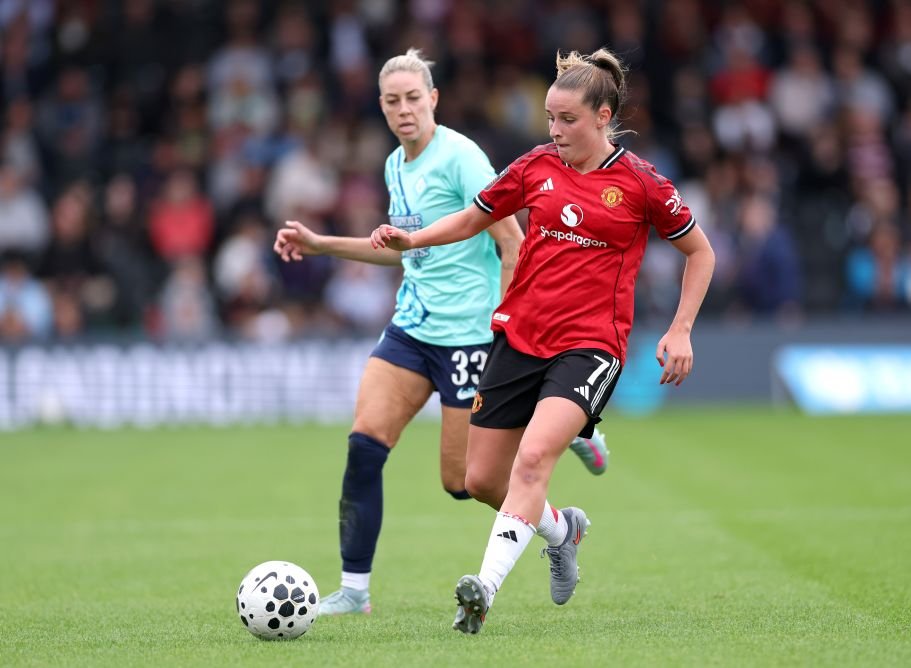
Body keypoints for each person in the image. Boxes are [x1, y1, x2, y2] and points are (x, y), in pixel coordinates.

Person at [370, 48, 715, 634]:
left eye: (568, 120)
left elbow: (700, 252)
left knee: (532, 460)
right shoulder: (534, 167)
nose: (555, 131)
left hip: (590, 347)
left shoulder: (641, 183)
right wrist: (412, 239)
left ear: (604, 116)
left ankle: (482, 589)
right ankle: (562, 531)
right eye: (550, 119)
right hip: (520, 336)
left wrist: (680, 328)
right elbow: (473, 218)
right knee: (479, 480)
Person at [273, 49, 610, 617]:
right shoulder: (393, 165)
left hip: (470, 337)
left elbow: (512, 242)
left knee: (465, 481)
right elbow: (405, 253)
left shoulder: (461, 158)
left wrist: (510, 334)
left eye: (412, 98)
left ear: (432, 99)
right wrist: (322, 244)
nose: (403, 110)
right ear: (381, 107)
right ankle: (355, 592)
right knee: (364, 445)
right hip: (411, 329)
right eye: (391, 101)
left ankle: (561, 526)